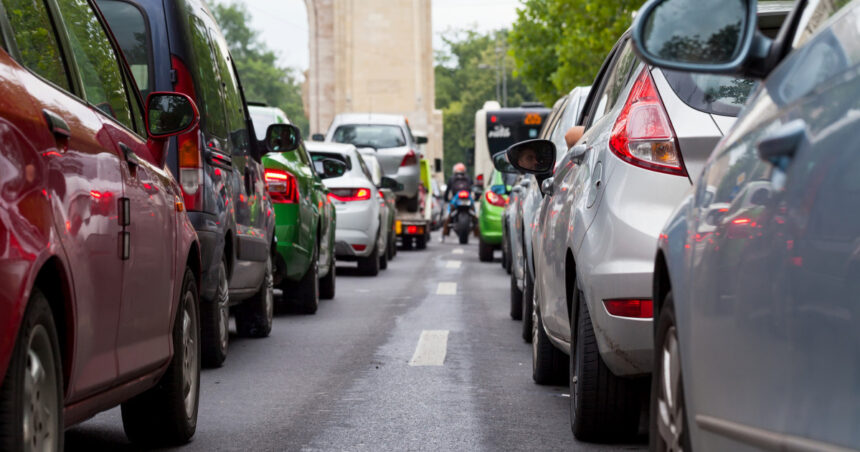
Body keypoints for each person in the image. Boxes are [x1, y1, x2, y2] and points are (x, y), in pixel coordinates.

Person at [440, 163, 474, 241]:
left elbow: (448, 190)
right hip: (467, 197)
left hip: (456, 198)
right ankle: (477, 232)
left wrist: (446, 199)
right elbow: (473, 188)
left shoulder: (451, 178)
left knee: (448, 214)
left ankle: (444, 233)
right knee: (474, 213)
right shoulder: (468, 178)